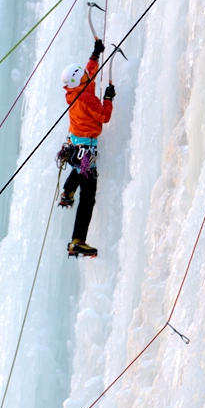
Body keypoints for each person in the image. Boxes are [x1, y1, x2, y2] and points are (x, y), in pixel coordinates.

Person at [57, 39, 114, 257]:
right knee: (88, 197)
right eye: (82, 75)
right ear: (78, 80)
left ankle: (67, 192)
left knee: (78, 168)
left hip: (75, 147)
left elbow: (88, 72)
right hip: (85, 151)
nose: (86, 74)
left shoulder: (76, 90)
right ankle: (77, 241)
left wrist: (95, 54)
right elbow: (104, 116)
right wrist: (108, 98)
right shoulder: (86, 98)